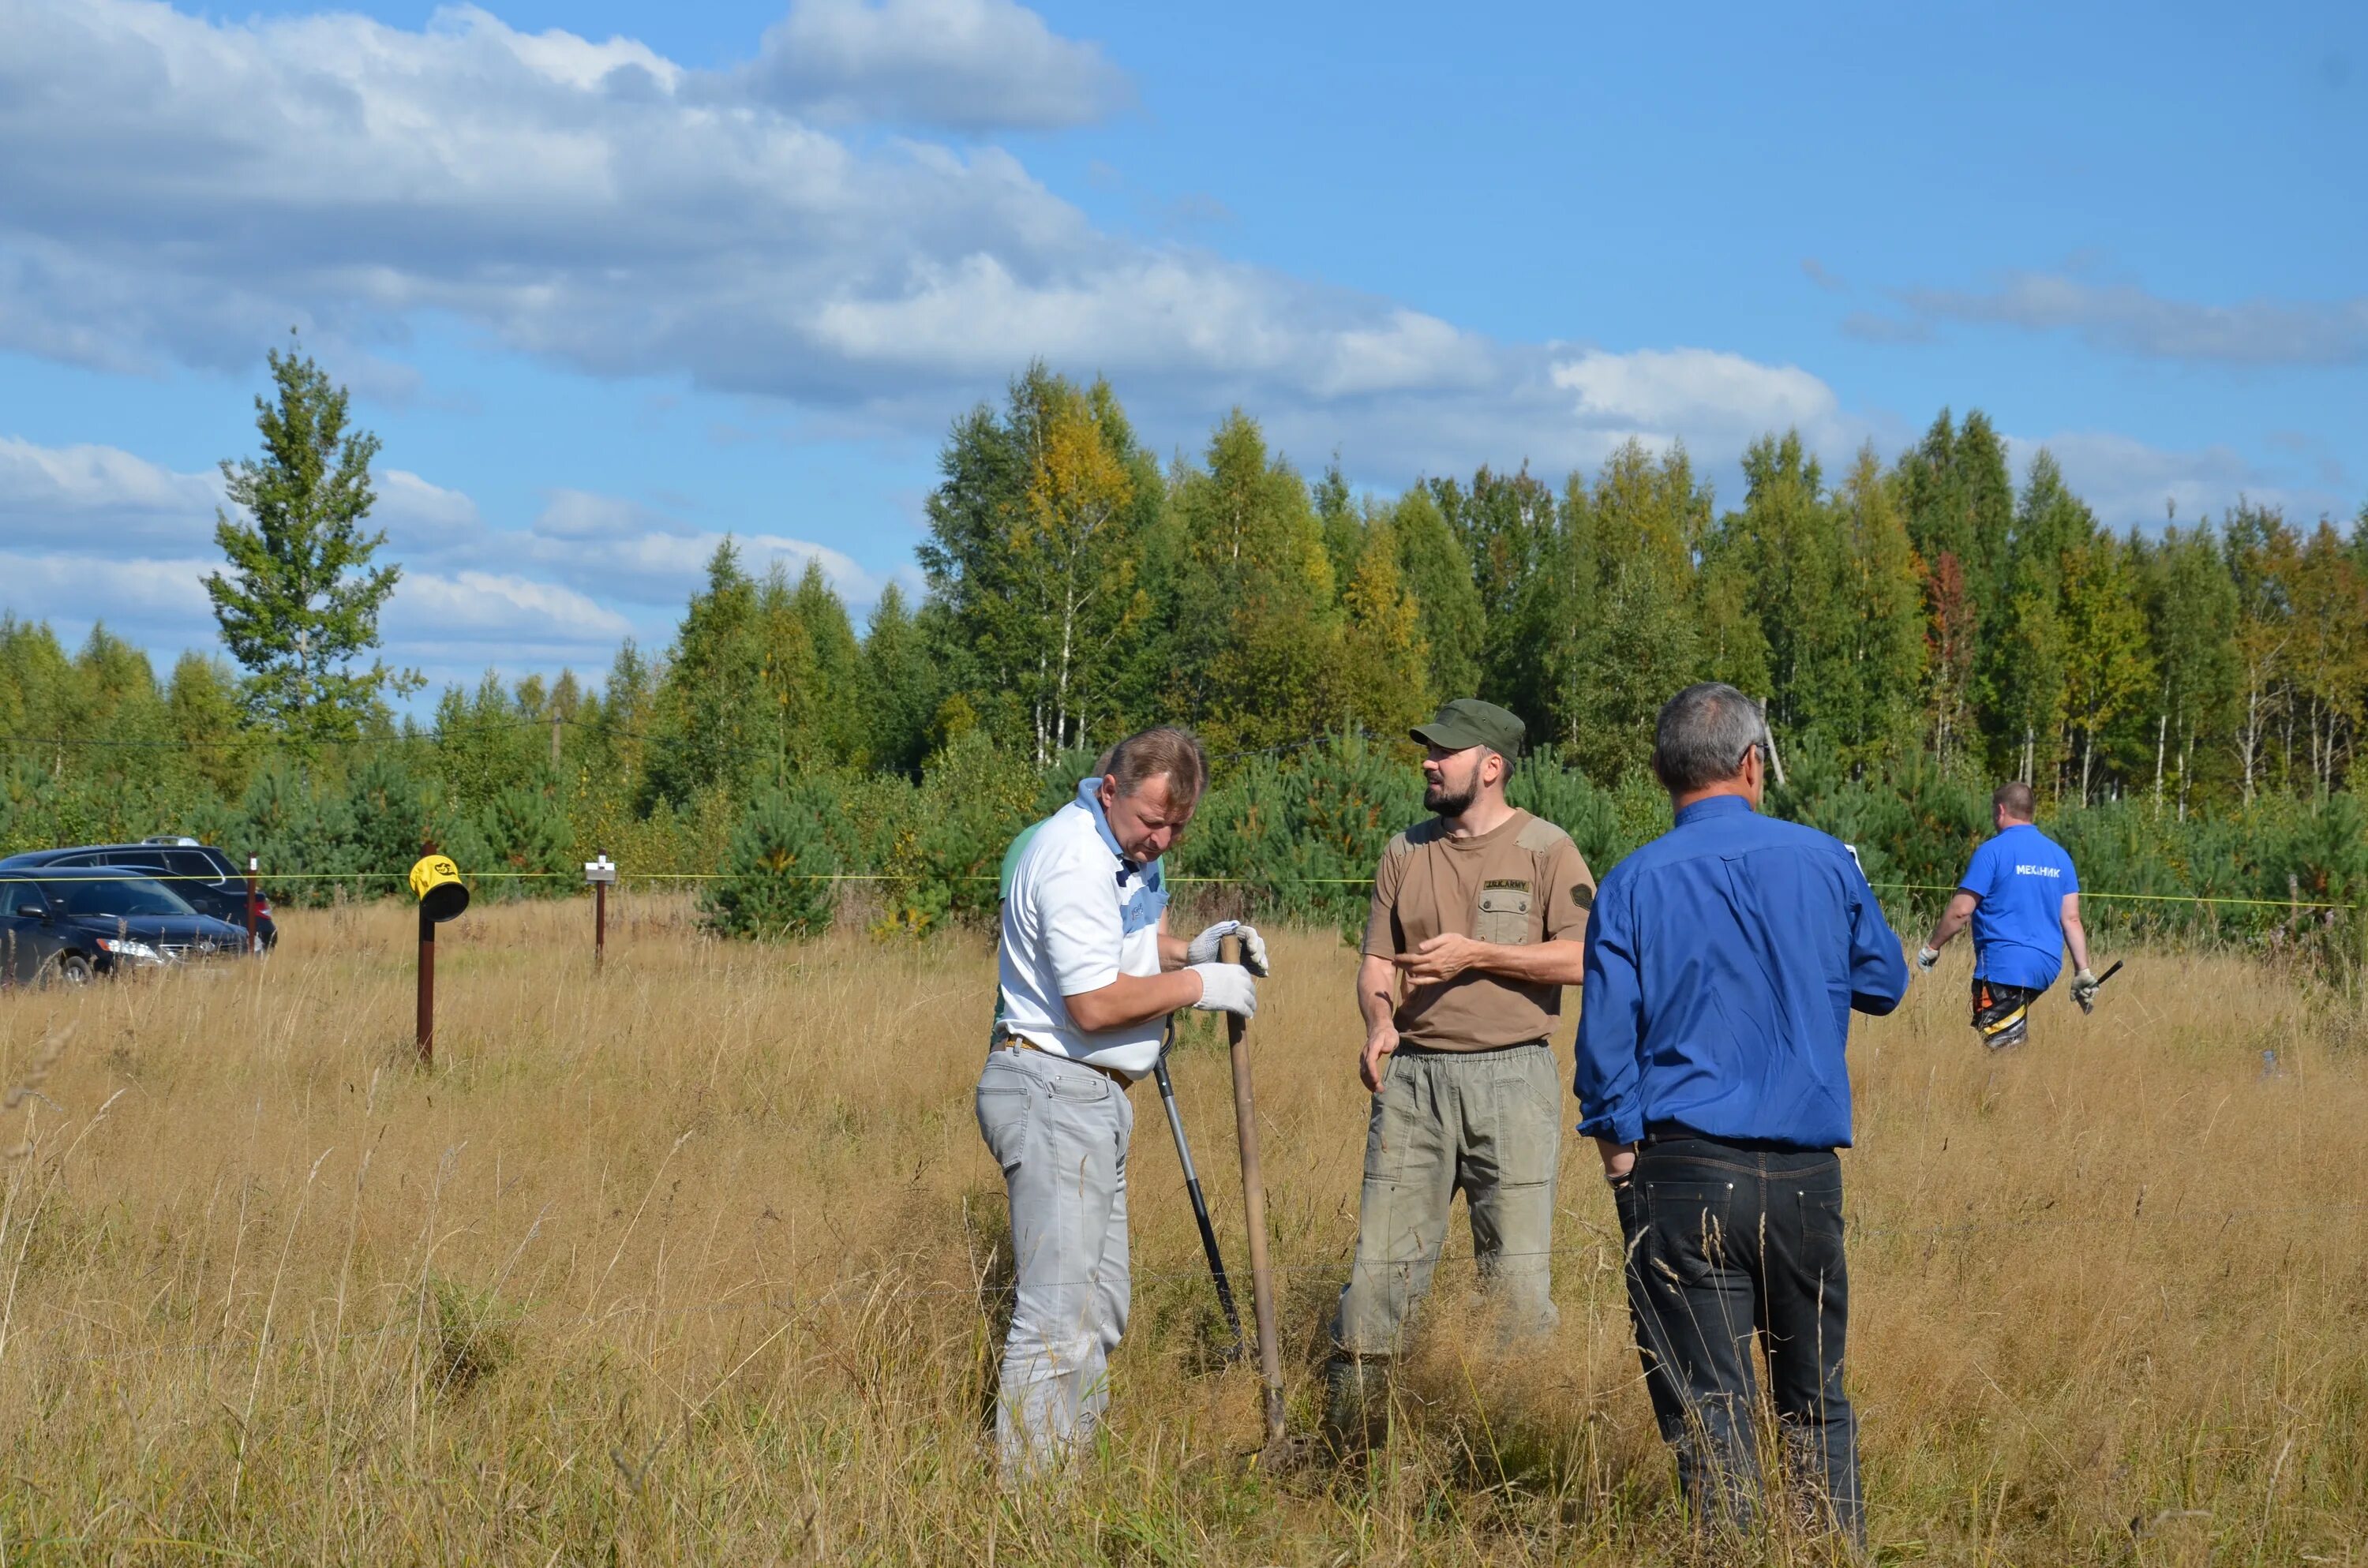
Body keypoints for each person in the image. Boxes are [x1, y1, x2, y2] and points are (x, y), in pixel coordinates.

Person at [1576, 683, 1908, 1544]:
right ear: (1753, 762)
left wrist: (1623, 1167)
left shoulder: (1632, 881)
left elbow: (1605, 1049)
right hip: (1805, 1178)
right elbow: (1886, 981)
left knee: (1712, 1417)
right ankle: (1834, 1552)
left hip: (1683, 1173)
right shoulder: (1825, 861)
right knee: (1817, 1407)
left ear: (1662, 773)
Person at [978, 726, 1268, 1476]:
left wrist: (1195, 950)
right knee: (1057, 1319)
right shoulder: (1074, 858)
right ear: (1110, 789)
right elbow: (1095, 1004)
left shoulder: (1123, 856)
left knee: (1098, 1312)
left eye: (1178, 826)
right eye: (1151, 821)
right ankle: (1033, 1513)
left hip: (1093, 1096)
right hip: (1052, 1087)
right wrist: (1203, 987)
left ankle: (1068, 1477)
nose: (1162, 840)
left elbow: (1127, 950)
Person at [1325, 698, 1594, 1453]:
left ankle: (1515, 1446)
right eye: (1427, 749)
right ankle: (1358, 1442)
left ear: (1491, 766)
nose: (1427, 761)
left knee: (1513, 1283)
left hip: (1515, 1083)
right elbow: (1377, 961)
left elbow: (1585, 957)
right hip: (1412, 1082)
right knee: (1380, 1275)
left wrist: (1478, 954)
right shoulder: (1404, 852)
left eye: (1443, 752)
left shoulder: (1549, 850)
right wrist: (1380, 1021)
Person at [1915, 780, 2096, 1048]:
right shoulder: (2060, 857)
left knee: (2002, 1050)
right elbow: (2071, 919)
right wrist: (2083, 971)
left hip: (2005, 965)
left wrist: (1932, 947)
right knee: (2010, 1034)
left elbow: (1961, 912)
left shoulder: (1992, 851)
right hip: (2045, 967)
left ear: (2000, 810)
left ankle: (2009, 1087)